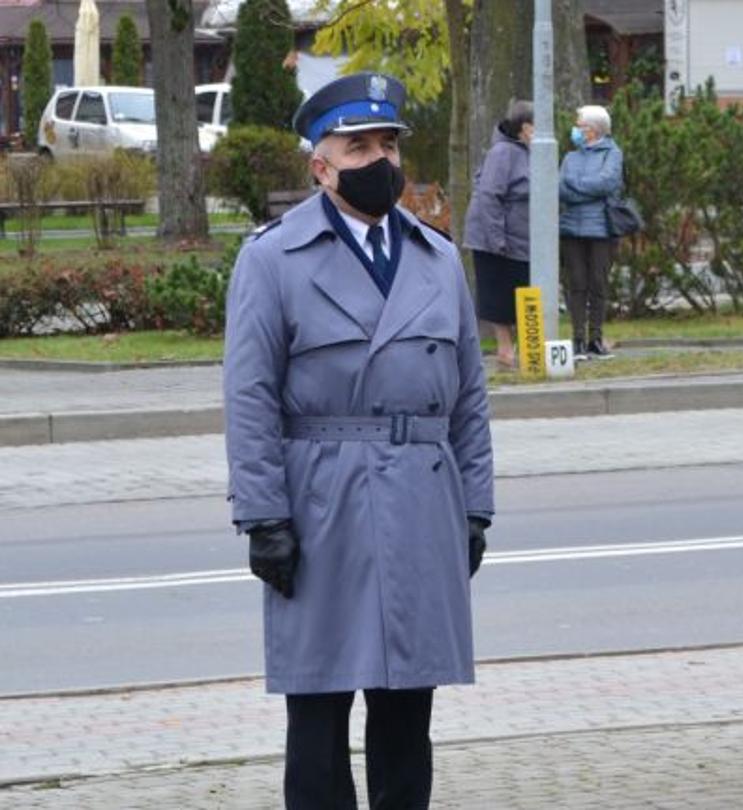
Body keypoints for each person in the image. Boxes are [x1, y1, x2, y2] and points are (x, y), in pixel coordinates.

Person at [222, 72, 495, 809]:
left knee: (408, 709)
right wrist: (263, 516)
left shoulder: (436, 260)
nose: (379, 160)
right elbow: (248, 397)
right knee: (318, 707)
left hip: (419, 498)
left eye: (388, 144)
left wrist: (475, 508)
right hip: (322, 501)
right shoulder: (273, 259)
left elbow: (469, 396)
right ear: (321, 165)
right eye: (358, 146)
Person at [464, 99, 533, 369]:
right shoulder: (503, 153)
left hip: (521, 238)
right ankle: (506, 351)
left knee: (520, 290)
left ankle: (524, 349)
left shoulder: (528, 151)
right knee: (499, 295)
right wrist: (497, 241)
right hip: (497, 238)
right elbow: (489, 196)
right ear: (525, 127)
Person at [558, 103, 624, 360]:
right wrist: (586, 189)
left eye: (581, 126)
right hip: (571, 228)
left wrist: (575, 187)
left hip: (601, 230)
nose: (576, 130)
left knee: (598, 282)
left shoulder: (612, 153)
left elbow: (607, 183)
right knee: (576, 283)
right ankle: (577, 339)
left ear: (594, 130)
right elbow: (560, 188)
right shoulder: (570, 157)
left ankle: (596, 338)